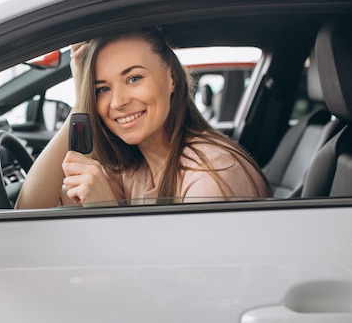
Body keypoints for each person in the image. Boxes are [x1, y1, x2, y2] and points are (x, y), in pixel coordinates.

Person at [15, 27, 272, 209]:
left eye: (133, 78)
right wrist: (83, 97)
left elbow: (184, 284)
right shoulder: (134, 166)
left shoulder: (210, 177)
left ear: (171, 77)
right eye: (102, 89)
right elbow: (29, 207)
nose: (118, 102)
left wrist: (105, 209)